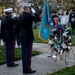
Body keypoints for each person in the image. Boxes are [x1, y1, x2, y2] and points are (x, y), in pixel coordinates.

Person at [17, 3, 41, 74]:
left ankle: (25, 69)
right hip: (27, 36)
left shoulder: (20, 16)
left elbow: (18, 28)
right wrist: (35, 12)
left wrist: (19, 36)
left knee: (24, 54)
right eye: (29, 8)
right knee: (27, 53)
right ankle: (27, 69)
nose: (30, 10)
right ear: (27, 8)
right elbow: (38, 19)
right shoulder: (28, 16)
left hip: (22, 36)